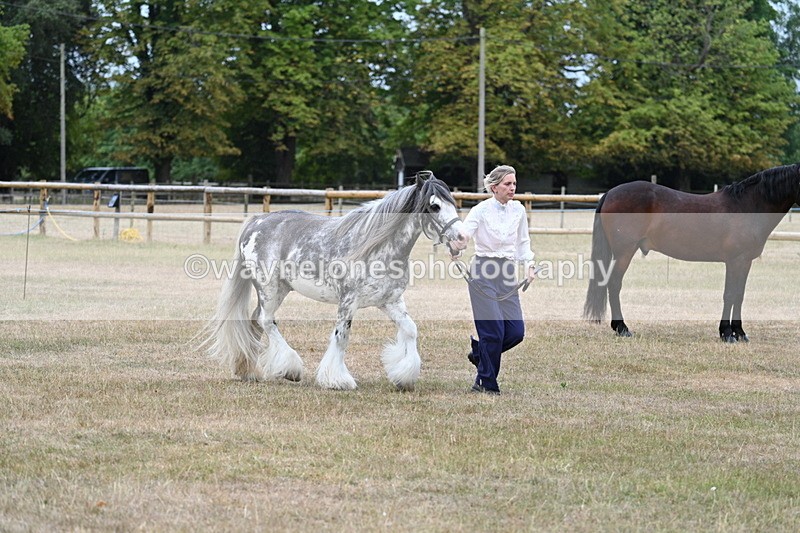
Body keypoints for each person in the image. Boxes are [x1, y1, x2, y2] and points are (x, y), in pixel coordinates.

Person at [458, 165, 536, 395]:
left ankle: (479, 355)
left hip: (507, 274)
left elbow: (523, 242)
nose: (512, 188)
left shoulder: (519, 211)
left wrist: (529, 266)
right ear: (494, 187)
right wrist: (457, 245)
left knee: (515, 332)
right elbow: (465, 234)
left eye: (514, 183)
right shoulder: (480, 210)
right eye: (507, 184)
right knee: (493, 332)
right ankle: (485, 384)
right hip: (483, 272)